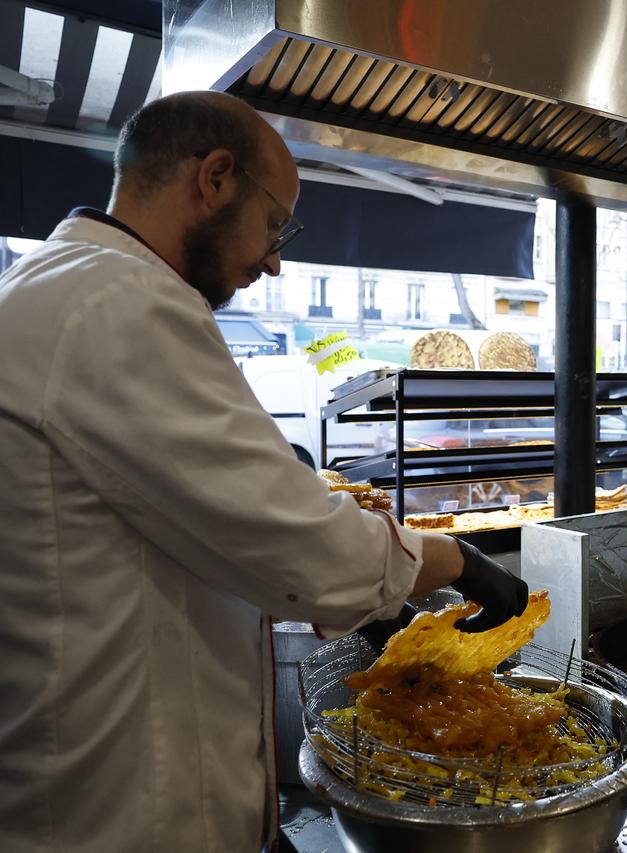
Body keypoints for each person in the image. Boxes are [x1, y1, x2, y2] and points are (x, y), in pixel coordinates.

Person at [0, 91, 528, 852]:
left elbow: (211, 525)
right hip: (122, 816)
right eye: (276, 222)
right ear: (215, 178)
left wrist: (373, 602)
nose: (275, 257)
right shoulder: (120, 305)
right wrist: (461, 561)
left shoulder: (55, 285)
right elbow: (310, 552)